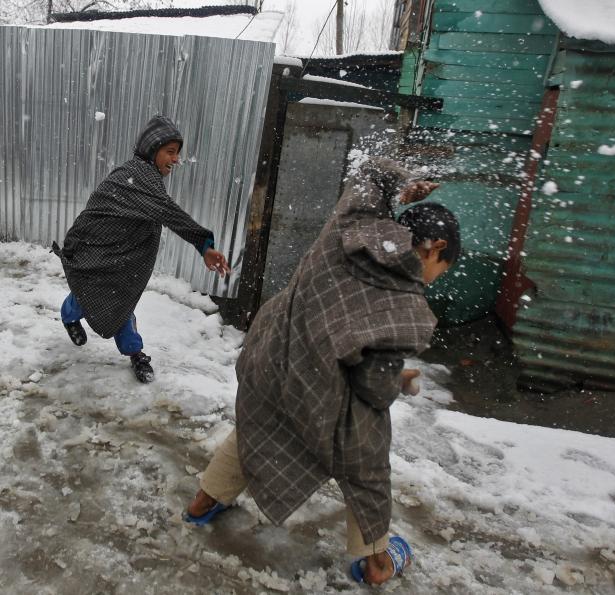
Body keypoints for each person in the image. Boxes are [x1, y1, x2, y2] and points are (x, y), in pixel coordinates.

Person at [184, 157, 460, 585]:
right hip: (316, 388)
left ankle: (202, 504)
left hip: (270, 356)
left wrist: (402, 185)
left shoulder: (353, 225)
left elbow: (369, 177)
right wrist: (398, 381)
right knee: (366, 461)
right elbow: (370, 385)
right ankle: (378, 564)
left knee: (258, 427)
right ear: (436, 248)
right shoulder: (405, 305)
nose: (435, 281)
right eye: (441, 272)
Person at [53, 115, 229, 383]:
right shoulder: (136, 177)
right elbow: (162, 212)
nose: (176, 159)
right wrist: (202, 242)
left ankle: (134, 351)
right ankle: (75, 321)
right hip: (100, 252)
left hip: (122, 260)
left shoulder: (142, 178)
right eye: (170, 152)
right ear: (152, 149)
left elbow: (156, 211)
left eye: (178, 154)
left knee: (118, 302)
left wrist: (203, 243)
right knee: (89, 294)